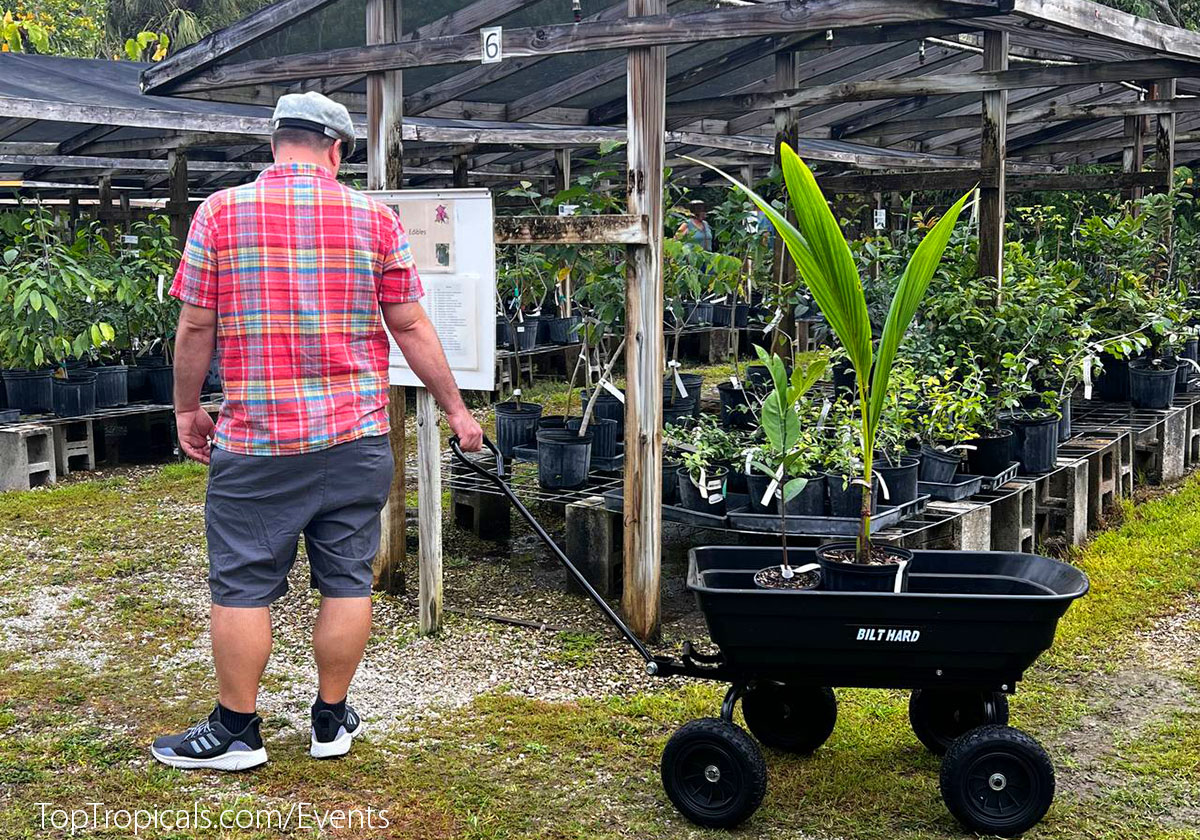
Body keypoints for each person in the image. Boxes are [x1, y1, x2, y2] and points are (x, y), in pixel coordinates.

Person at [150, 91, 483, 771]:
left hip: (259, 441)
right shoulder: (375, 219)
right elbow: (412, 325)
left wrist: (187, 407)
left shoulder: (221, 213)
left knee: (241, 585)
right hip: (355, 439)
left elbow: (196, 325)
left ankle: (238, 732)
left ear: (276, 142)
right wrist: (457, 409)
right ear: (337, 151)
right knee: (347, 582)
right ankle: (332, 720)